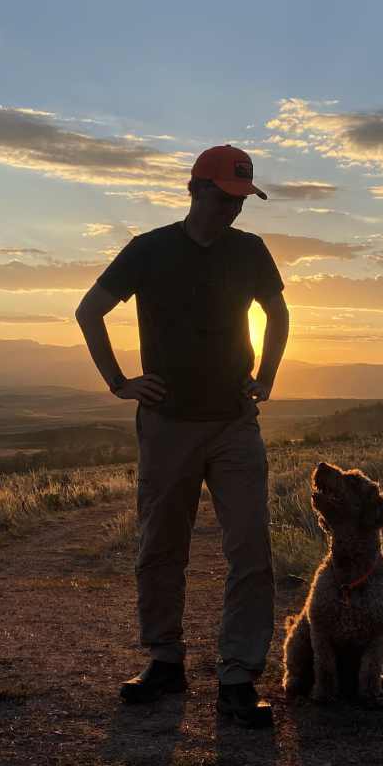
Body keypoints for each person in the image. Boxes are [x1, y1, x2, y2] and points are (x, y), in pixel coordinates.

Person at [75, 144, 290, 729]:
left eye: (242, 201)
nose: (234, 211)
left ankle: (239, 676)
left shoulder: (251, 251)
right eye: (225, 198)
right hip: (168, 425)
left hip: (233, 424)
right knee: (161, 545)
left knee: (250, 548)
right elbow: (88, 311)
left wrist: (265, 378)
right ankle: (165, 661)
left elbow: (279, 313)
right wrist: (119, 382)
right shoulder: (149, 249)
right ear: (195, 190)